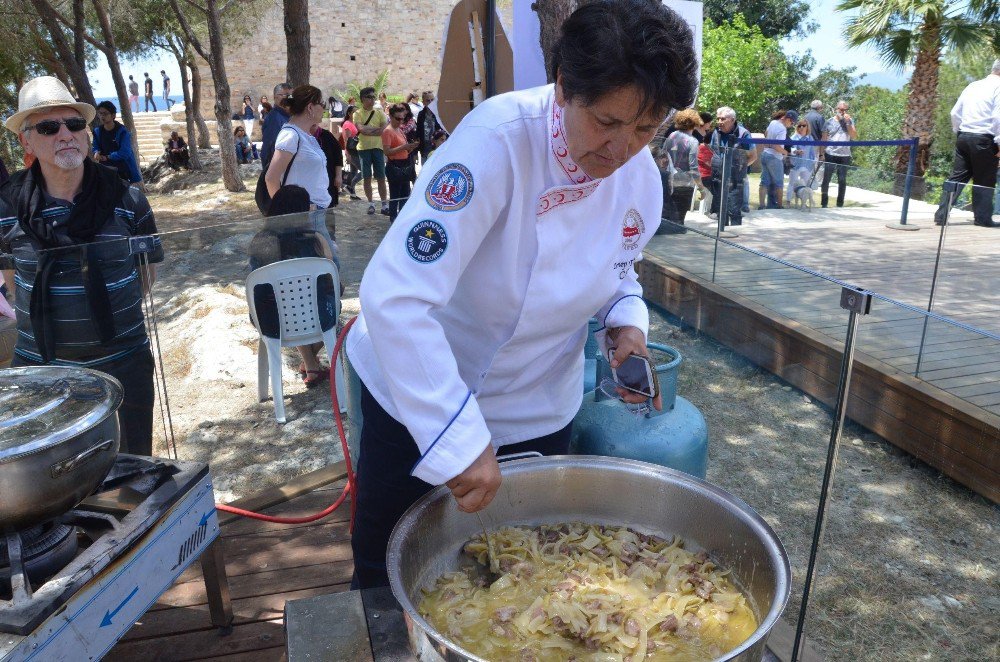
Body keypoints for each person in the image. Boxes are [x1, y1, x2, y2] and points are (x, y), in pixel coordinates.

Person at [344, 0, 697, 589]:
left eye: (645, 128)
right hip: (421, 396)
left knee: (528, 580)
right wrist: (455, 437)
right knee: (388, 577)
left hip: (538, 408)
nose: (622, 149)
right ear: (563, 88)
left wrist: (626, 323)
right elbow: (396, 296)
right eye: (608, 123)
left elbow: (619, 273)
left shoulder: (640, 182)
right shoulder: (495, 144)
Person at [0, 76, 164, 455]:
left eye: (74, 124)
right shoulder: (6, 206)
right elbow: (9, 277)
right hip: (42, 371)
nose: (65, 134)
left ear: (87, 134)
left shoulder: (129, 197)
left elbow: (146, 272)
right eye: (48, 127)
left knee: (131, 468)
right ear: (26, 141)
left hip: (125, 363)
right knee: (56, 480)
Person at [263, 84, 340, 386]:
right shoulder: (290, 134)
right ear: (310, 107)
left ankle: (310, 361)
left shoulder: (306, 135)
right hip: (304, 220)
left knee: (322, 286)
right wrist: (289, 217)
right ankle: (311, 362)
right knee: (315, 284)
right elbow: (272, 178)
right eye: (321, 104)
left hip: (318, 215)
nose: (324, 108)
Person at [934, 59, 1000, 228]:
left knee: (957, 178)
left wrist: (960, 132)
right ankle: (983, 219)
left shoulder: (973, 85)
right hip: (984, 139)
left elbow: (955, 112)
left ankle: (941, 216)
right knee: (984, 181)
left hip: (964, 136)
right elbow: (998, 118)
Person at [654, 108, 703, 232]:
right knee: (680, 219)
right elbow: (693, 166)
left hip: (667, 180)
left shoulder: (671, 136)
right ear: (695, 122)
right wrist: (701, 187)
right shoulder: (693, 141)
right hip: (684, 184)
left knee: (668, 213)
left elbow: (662, 156)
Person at [709, 106, 755, 226]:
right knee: (720, 208)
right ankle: (722, 231)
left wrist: (740, 169)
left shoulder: (743, 134)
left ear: (733, 119)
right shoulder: (715, 132)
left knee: (734, 208)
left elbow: (753, 156)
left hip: (735, 179)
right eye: (718, 118)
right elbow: (713, 152)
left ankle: (735, 236)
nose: (719, 122)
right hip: (718, 176)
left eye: (723, 119)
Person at [381, 103, 419, 223]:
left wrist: (410, 147)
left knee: (405, 195)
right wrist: (404, 147)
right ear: (391, 117)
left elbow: (402, 148)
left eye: (402, 118)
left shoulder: (399, 129)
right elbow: (387, 151)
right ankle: (394, 219)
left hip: (404, 164)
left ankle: (402, 219)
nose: (400, 121)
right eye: (398, 118)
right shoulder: (388, 131)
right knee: (395, 196)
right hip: (395, 166)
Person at [355, 86, 389, 216]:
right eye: (370, 97)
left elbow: (383, 129)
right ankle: (371, 203)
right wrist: (375, 130)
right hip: (364, 149)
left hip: (378, 148)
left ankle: (384, 204)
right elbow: (361, 130)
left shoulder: (380, 112)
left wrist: (369, 130)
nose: (373, 99)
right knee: (367, 177)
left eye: (374, 96)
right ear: (363, 98)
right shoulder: (357, 113)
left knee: (381, 177)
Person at [92, 101, 142, 184]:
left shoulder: (122, 132)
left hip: (122, 171)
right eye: (100, 113)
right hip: (105, 170)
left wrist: (107, 157)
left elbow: (125, 152)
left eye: (105, 113)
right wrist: (96, 152)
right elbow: (95, 146)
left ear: (113, 115)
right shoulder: (97, 131)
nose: (102, 116)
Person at [820, 100, 858, 208]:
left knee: (842, 180)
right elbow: (823, 139)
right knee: (826, 179)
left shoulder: (850, 121)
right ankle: (824, 203)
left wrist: (848, 122)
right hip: (830, 153)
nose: (843, 112)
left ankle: (840, 204)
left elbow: (854, 135)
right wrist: (821, 154)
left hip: (844, 155)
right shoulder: (829, 122)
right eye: (841, 110)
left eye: (845, 110)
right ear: (836, 109)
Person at [758, 109, 796, 210]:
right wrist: (786, 152)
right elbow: (776, 146)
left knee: (764, 182)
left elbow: (766, 134)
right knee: (779, 183)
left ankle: (761, 205)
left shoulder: (773, 122)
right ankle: (779, 206)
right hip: (774, 157)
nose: (791, 125)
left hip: (765, 154)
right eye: (792, 122)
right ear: (788, 119)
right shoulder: (782, 129)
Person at [786, 117, 818, 206]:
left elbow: (812, 152)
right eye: (799, 126)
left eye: (804, 126)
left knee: (805, 184)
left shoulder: (810, 138)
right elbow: (790, 150)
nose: (801, 128)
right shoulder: (794, 137)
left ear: (807, 127)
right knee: (792, 183)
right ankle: (788, 201)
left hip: (807, 165)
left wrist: (814, 161)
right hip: (796, 164)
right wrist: (796, 151)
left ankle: (803, 202)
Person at [261, 82, 292, 171]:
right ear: (275, 97)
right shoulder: (274, 118)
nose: (288, 99)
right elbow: (269, 148)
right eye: (285, 95)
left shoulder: (288, 116)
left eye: (290, 96)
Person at [312, 122, 343, 208]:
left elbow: (338, 155)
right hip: (311, 182)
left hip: (329, 178)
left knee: (329, 209)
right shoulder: (301, 136)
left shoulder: (326, 135)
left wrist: (338, 175)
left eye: (314, 124)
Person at [415, 90, 443, 164]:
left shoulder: (440, 114)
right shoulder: (421, 115)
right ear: (423, 102)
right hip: (425, 149)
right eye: (428, 100)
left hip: (438, 149)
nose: (430, 102)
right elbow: (418, 132)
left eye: (432, 100)